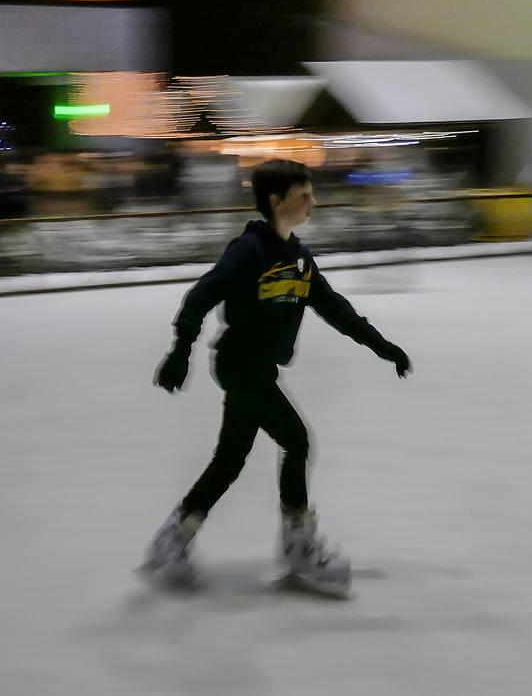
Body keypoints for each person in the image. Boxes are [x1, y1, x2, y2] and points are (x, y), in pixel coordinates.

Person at [142, 159, 411, 592]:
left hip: (258, 368)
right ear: (275, 200)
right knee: (297, 440)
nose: (312, 203)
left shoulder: (299, 259)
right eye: (304, 195)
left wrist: (383, 346)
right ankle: (298, 545)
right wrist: (180, 349)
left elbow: (335, 308)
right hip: (238, 365)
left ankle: (173, 538)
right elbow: (201, 295)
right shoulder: (249, 250)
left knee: (229, 460)